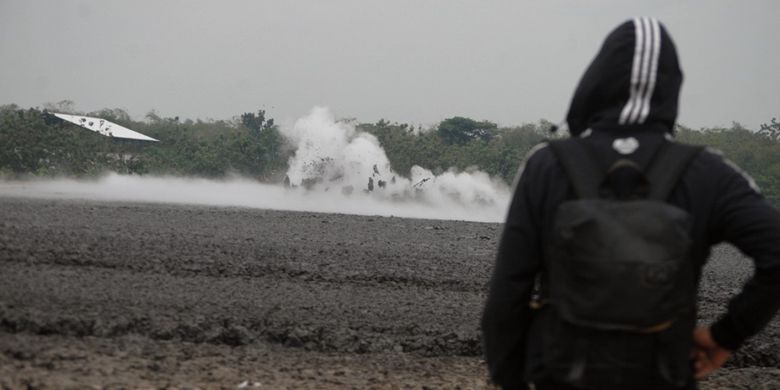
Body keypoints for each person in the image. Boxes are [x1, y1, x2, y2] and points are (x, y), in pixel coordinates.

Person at [481, 17, 780, 390]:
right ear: (672, 88)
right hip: (665, 374)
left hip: (561, 375)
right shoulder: (710, 173)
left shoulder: (546, 165)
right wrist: (726, 336)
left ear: (596, 82)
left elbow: (506, 298)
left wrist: (511, 380)